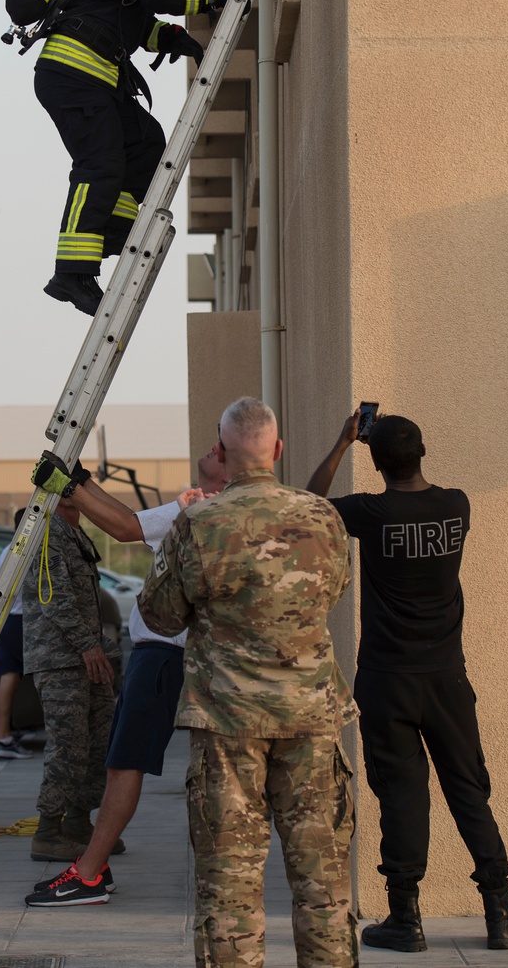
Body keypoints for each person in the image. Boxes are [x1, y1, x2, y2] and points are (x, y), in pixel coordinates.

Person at [139, 398, 358, 968]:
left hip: (227, 723)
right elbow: (332, 593)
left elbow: (159, 616)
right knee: (323, 884)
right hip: (311, 719)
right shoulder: (322, 518)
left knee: (229, 885)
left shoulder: (200, 523)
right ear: (278, 450)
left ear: (222, 451)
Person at [307, 411, 508, 953]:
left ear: (375, 461)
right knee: (469, 790)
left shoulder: (370, 512)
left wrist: (341, 444)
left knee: (403, 796)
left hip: (387, 680)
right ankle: (501, 917)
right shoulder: (456, 505)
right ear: (422, 452)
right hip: (448, 678)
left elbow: (307, 507)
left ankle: (406, 918)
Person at [24, 446, 227, 907]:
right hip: (159, 653)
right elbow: (130, 521)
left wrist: (69, 487)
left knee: (125, 763)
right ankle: (94, 865)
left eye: (220, 446)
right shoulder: (193, 503)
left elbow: (122, 528)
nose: (211, 448)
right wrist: (81, 481)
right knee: (123, 761)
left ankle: (89, 874)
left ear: (235, 462)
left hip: (164, 653)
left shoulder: (209, 511)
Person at [37, 0, 231, 316]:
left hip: (86, 75)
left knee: (143, 141)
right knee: (98, 163)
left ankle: (113, 229)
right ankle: (72, 273)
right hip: (76, 75)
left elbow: (136, 23)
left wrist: (172, 39)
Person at [22, 494, 122, 862]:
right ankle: (49, 830)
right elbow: (54, 598)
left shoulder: (76, 531)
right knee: (68, 745)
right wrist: (87, 646)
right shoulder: (47, 532)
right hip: (61, 658)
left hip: (88, 657)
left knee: (98, 742)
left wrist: (98, 650)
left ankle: (79, 821)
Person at [0, 509, 33, 760]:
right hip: (19, 621)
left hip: (7, 621)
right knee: (40, 678)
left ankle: (4, 738)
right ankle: (5, 738)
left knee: (9, 678)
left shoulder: (8, 550)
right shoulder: (24, 551)